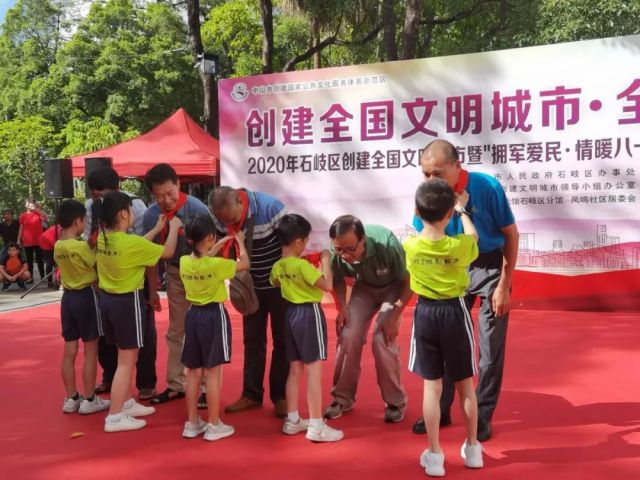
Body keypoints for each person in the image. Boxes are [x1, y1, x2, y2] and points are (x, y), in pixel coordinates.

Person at [412, 139, 519, 442]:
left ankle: (482, 415)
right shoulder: (427, 195)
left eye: (438, 174)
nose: (431, 181)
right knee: (447, 341)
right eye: (425, 174)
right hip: (453, 268)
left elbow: (511, 235)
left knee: (489, 347)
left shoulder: (487, 187)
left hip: (489, 265)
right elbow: (424, 239)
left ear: (457, 166)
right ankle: (441, 409)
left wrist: (505, 284)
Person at [405, 179, 483, 476]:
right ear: (449, 213)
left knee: (432, 386)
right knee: (465, 384)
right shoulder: (459, 245)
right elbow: (474, 237)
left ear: (417, 211)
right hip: (455, 312)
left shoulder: (410, 246)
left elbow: (421, 235)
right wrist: (463, 211)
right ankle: (473, 449)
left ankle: (435, 455)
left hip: (425, 313)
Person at [93, 191, 181, 432]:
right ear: (123, 213)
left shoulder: (103, 238)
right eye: (131, 209)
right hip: (126, 303)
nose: (133, 213)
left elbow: (139, 246)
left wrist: (156, 229)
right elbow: (167, 252)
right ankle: (114, 417)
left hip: (108, 301)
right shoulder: (130, 243)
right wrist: (173, 228)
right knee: (127, 361)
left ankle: (126, 403)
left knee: (122, 356)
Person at [209, 186, 289, 418]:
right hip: (249, 290)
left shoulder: (271, 208)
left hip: (279, 287)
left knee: (282, 341)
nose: (228, 223)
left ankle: (281, 396)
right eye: (224, 220)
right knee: (252, 341)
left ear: (239, 201)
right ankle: (251, 394)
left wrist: (285, 278)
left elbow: (290, 245)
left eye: (232, 219)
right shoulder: (219, 214)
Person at [324, 215, 412, 422]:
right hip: (363, 288)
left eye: (350, 249)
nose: (345, 255)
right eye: (339, 250)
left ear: (362, 239)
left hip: (393, 288)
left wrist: (394, 315)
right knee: (348, 334)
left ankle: (395, 402)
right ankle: (342, 398)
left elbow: (409, 281)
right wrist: (342, 307)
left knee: (382, 339)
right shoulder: (336, 250)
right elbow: (337, 279)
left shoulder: (387, 243)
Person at [142, 163, 212, 406]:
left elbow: (210, 248)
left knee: (202, 328)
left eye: (170, 193)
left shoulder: (197, 209)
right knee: (176, 330)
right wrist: (152, 290)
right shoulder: (151, 215)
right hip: (174, 274)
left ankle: (206, 387)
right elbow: (150, 256)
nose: (166, 200)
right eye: (159, 195)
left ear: (178, 185)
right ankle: (175, 384)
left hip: (200, 274)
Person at [85, 167, 158, 401]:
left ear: (117, 189)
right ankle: (112, 380)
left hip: (134, 284)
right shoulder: (90, 207)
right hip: (105, 283)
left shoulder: (136, 206)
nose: (100, 201)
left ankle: (145, 382)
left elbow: (146, 251)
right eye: (95, 196)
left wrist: (152, 290)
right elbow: (89, 245)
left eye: (103, 195)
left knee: (143, 334)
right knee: (108, 338)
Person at [271, 214, 344, 442]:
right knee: (314, 370)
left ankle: (293, 420)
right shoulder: (302, 265)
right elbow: (327, 285)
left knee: (295, 369)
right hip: (309, 314)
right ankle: (316, 425)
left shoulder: (278, 266)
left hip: (290, 314)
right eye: (305, 240)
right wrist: (325, 260)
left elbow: (275, 281)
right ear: (298, 242)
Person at [180, 214, 249, 441]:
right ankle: (213, 423)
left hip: (193, 315)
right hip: (213, 316)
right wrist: (240, 242)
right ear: (210, 237)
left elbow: (203, 258)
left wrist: (218, 244)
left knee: (193, 372)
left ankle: (192, 423)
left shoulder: (184, 262)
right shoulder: (218, 265)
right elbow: (244, 264)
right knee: (212, 372)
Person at [54, 200, 110, 415]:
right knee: (90, 350)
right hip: (86, 296)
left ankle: (71, 397)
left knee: (69, 351)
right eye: (84, 220)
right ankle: (89, 398)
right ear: (77, 221)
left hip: (67, 299)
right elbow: (96, 262)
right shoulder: (80, 246)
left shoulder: (58, 246)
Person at [17, 199, 47, 282]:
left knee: (40, 259)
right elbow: (21, 228)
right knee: (29, 260)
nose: (30, 204)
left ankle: (42, 277)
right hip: (27, 241)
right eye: (28, 203)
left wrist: (37, 209)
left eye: (32, 203)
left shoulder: (38, 213)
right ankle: (30, 278)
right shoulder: (23, 215)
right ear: (25, 204)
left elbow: (46, 218)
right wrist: (18, 239)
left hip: (38, 240)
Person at [39, 224, 62, 289]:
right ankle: (50, 282)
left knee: (57, 263)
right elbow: (52, 240)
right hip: (46, 244)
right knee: (50, 263)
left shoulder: (62, 228)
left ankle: (57, 281)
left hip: (52, 242)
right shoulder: (60, 229)